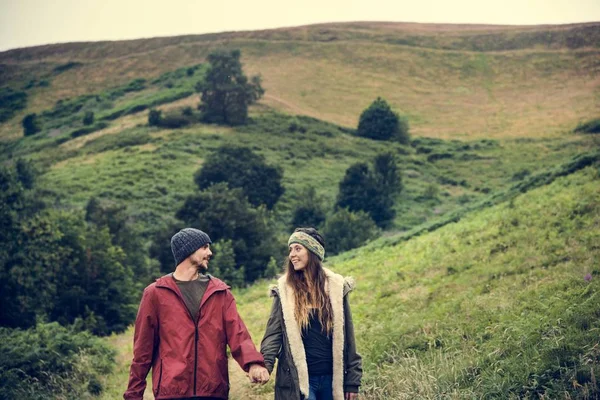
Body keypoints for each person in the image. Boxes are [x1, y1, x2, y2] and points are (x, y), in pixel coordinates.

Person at [124, 227, 269, 400]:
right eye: (205, 247)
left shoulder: (219, 292)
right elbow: (143, 349)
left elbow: (238, 334)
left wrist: (253, 364)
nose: (210, 252)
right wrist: (134, 393)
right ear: (188, 250)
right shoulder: (155, 294)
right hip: (171, 392)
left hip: (213, 390)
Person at [260, 227, 362, 400]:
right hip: (299, 380)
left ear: (314, 252)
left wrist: (352, 380)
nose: (292, 254)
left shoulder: (336, 288)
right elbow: (273, 334)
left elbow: (348, 337)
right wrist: (265, 365)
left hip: (332, 379)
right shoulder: (284, 290)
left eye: (298, 248)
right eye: (290, 249)